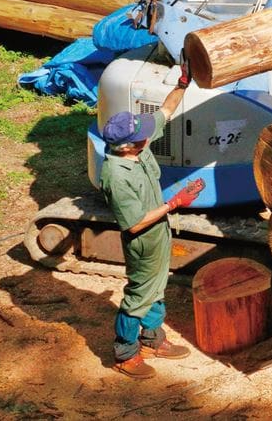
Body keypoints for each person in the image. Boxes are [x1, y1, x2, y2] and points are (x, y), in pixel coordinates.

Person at [99, 61, 204, 379]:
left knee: (157, 288)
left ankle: (152, 340)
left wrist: (183, 84)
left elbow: (165, 112)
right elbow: (134, 224)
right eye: (142, 136)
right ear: (128, 146)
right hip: (143, 238)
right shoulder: (116, 176)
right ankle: (125, 353)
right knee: (138, 296)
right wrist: (176, 202)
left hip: (159, 231)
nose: (149, 135)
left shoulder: (135, 146)